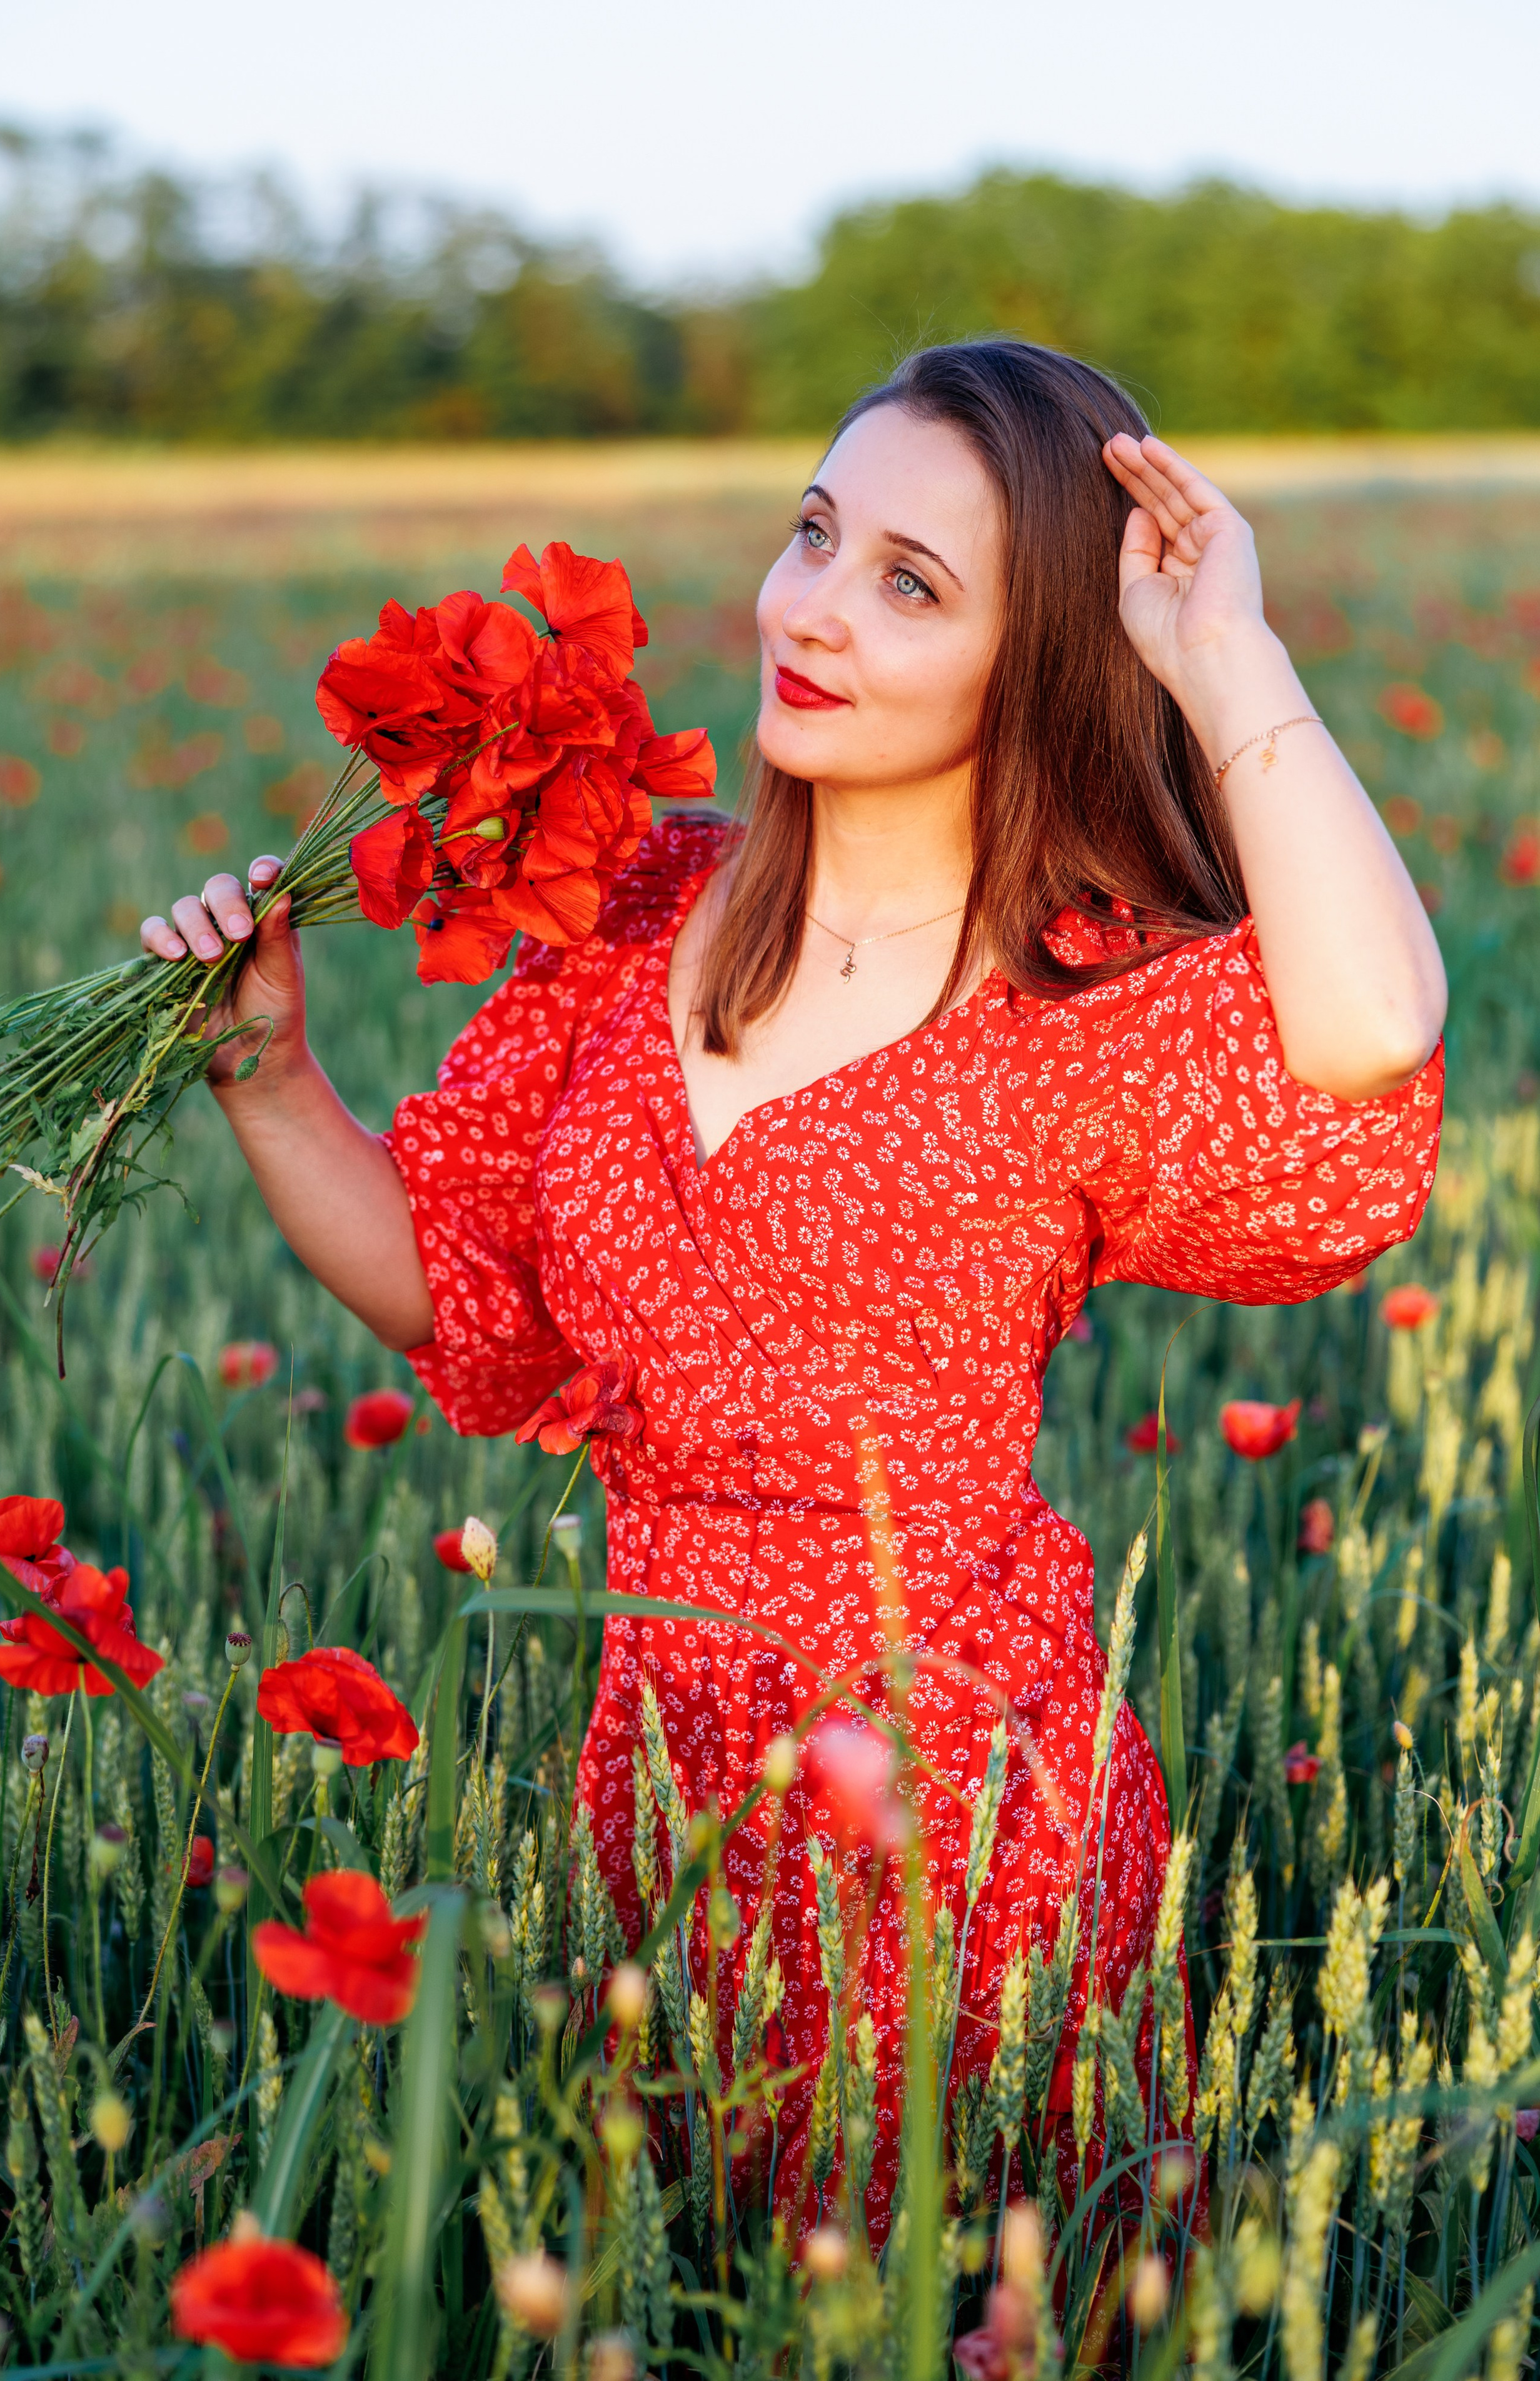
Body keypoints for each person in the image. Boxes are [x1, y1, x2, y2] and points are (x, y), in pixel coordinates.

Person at [142, 340, 1445, 2235]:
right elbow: (458, 1291)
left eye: (911, 585)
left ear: (1045, 660)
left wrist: (1228, 657)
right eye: (815, 534)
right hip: (653, 1774)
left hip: (958, 1787)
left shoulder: (1075, 1004)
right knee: (693, 2288)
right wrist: (265, 1069)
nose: (812, 613)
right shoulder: (643, 917)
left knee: (951, 2296)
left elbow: (1370, 1031)